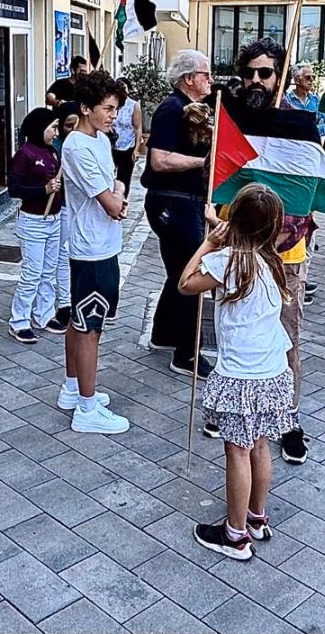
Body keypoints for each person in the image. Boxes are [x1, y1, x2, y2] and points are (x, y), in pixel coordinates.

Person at [179, 183, 296, 560]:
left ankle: (234, 534)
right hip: (273, 370)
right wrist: (220, 225)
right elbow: (245, 236)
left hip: (240, 376)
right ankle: (257, 517)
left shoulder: (226, 260)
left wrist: (208, 243)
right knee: (260, 445)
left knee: (237, 452)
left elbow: (185, 284)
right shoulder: (270, 259)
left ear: (235, 222)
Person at [234, 38, 315, 464]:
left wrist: (271, 245)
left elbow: (305, 201)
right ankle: (234, 407)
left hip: (284, 256)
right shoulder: (229, 117)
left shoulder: (301, 125)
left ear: (279, 75)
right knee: (234, 333)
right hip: (236, 253)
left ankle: (288, 419)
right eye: (249, 72)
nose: (255, 80)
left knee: (286, 340)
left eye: (265, 72)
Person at [60, 72, 131, 433]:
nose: (112, 116)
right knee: (90, 326)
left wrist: (116, 191)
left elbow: (114, 182)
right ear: (85, 108)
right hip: (91, 250)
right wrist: (118, 198)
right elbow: (111, 204)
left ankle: (73, 389)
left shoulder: (100, 140)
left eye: (116, 109)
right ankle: (87, 409)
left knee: (80, 320)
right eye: (107, 108)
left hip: (102, 245)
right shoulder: (76, 146)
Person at [142, 50, 215, 378]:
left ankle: (163, 335)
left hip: (183, 201)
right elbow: (159, 159)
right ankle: (186, 353)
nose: (210, 80)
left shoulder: (190, 108)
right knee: (192, 273)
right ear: (188, 78)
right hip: (172, 202)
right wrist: (204, 163)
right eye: (206, 74)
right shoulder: (171, 109)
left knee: (178, 272)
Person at [7, 108, 68, 342]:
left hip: (53, 219)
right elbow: (14, 189)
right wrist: (43, 190)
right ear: (38, 128)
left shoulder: (53, 152)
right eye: (52, 127)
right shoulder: (25, 154)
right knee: (32, 273)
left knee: (48, 271)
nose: (55, 132)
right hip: (33, 221)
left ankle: (43, 315)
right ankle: (19, 321)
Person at [112, 78, 144, 190]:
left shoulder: (133, 105)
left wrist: (137, 149)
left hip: (127, 146)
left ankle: (122, 201)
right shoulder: (112, 104)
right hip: (112, 145)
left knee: (124, 178)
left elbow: (138, 128)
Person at [283, 62, 325, 139]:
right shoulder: (287, 101)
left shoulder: (316, 100)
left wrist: (310, 130)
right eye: (308, 77)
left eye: (313, 77)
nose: (311, 80)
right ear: (297, 80)